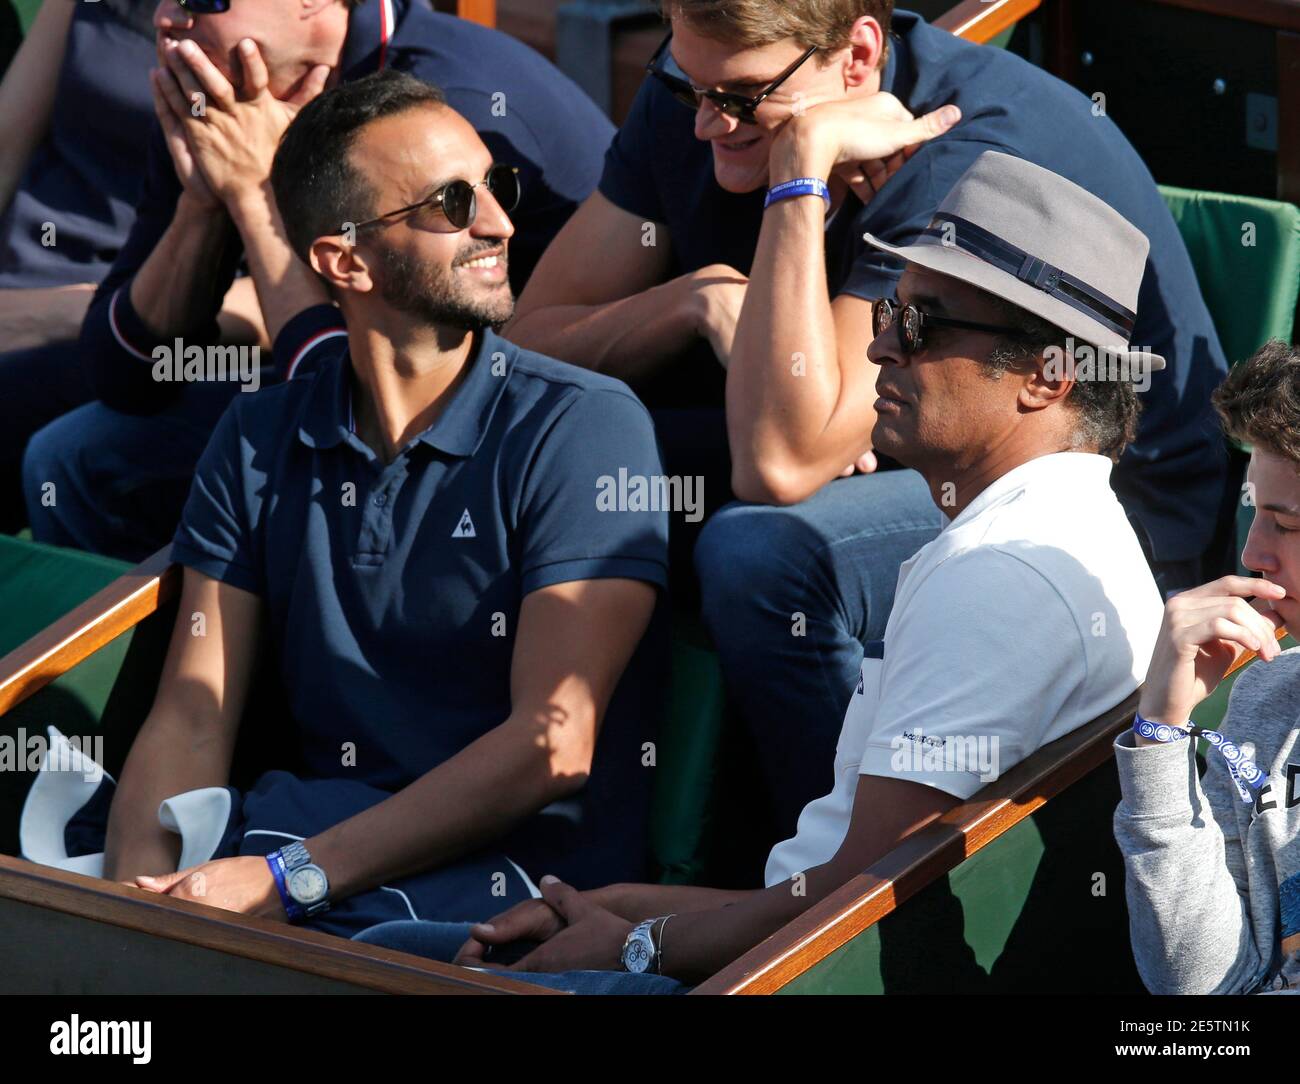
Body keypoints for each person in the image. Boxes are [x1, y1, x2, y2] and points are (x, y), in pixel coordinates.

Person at [353, 152, 1165, 992]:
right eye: (890, 309)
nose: (881, 345)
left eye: (923, 324)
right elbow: (844, 879)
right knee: (390, 945)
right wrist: (628, 906)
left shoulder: (997, 576)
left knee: (363, 968)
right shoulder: (1057, 533)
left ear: (1047, 376)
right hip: (788, 952)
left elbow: (861, 900)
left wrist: (638, 945)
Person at [506, 0, 1228, 850]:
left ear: (858, 58)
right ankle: (566, 840)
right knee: (582, 460)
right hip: (922, 434)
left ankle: (815, 892)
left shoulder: (950, 145)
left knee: (762, 553)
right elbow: (529, 347)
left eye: (740, 99)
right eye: (684, 84)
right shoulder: (705, 87)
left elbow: (778, 463)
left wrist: (799, 176)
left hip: (1089, 496)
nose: (705, 123)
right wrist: (693, 297)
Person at [86, 69, 668, 938]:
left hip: (515, 891)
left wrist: (291, 879)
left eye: (495, 187)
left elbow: (551, 747)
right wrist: (134, 916)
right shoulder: (257, 435)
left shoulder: (586, 426)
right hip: (301, 858)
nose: (500, 223)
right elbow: (192, 712)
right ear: (342, 260)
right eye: (451, 203)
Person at [21, 0, 613, 560]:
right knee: (77, 456)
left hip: (519, 431)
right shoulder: (224, 94)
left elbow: (365, 413)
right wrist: (201, 209)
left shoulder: (443, 116)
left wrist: (257, 196)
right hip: (361, 385)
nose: (166, 16)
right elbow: (125, 377)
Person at [1115, 340, 1300, 996]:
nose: (1253, 553)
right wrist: (1162, 730)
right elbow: (1202, 993)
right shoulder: (1266, 698)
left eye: (1287, 525)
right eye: (1257, 516)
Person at [0, 0, 164, 531]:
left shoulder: (305, 29)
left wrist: (60, 317)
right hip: (17, 278)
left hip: (127, 318)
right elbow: (5, 146)